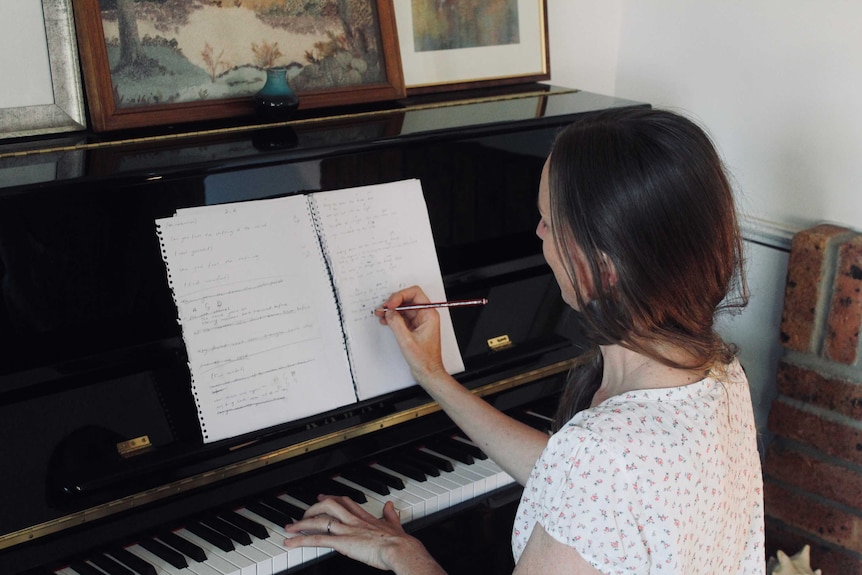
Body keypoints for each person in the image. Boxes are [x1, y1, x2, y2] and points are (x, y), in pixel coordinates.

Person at [282, 107, 765, 574]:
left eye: (549, 222)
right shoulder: (720, 376)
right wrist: (433, 375)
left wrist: (400, 552)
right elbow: (589, 493)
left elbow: (595, 478)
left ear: (603, 268)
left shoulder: (602, 455)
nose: (537, 233)